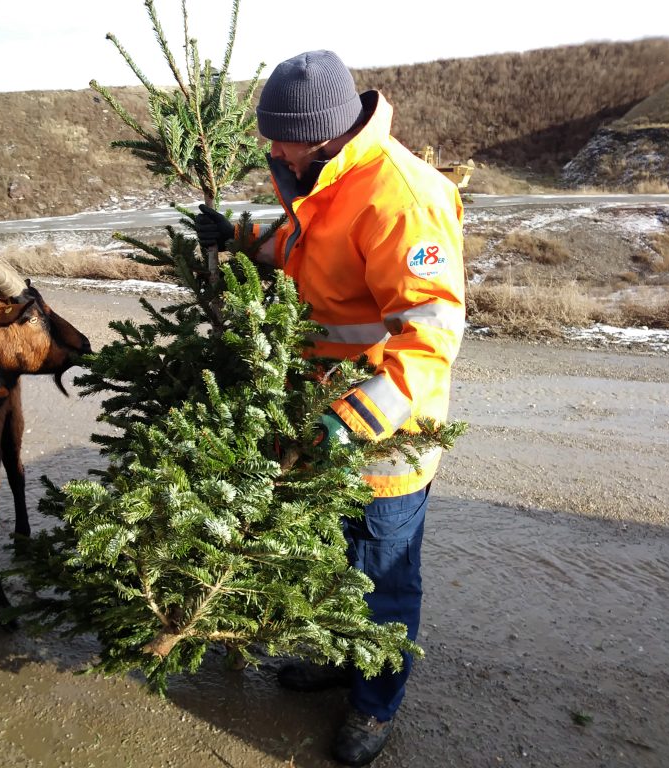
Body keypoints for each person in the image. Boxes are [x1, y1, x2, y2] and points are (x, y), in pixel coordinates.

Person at [196, 50, 466, 767]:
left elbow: (431, 335)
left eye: (278, 138)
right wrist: (245, 241)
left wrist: (354, 420)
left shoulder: (400, 197)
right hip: (325, 419)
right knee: (335, 560)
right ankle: (342, 659)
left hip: (386, 434)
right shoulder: (322, 178)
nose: (268, 150)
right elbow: (304, 249)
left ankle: (375, 706)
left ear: (318, 133)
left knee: (384, 571)